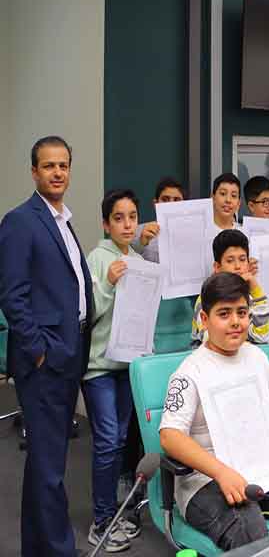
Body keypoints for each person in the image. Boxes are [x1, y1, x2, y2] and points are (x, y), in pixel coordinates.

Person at [159, 273, 269, 552]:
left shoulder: (255, 357)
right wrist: (221, 472)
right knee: (253, 535)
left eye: (241, 312)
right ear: (204, 320)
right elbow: (170, 436)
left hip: (265, 470)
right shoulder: (189, 372)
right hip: (207, 481)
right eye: (224, 314)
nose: (235, 322)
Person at [0, 135, 94, 557]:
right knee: (50, 466)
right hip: (45, 360)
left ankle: (37, 549)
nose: (58, 172)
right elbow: (12, 294)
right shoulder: (21, 221)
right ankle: (59, 550)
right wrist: (39, 349)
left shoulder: (62, 220)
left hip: (68, 352)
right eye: (49, 165)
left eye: (63, 165)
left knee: (44, 461)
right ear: (34, 171)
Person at [83, 189, 144, 551]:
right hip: (99, 368)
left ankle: (114, 513)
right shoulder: (97, 258)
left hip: (127, 366)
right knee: (107, 442)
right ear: (106, 224)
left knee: (120, 442)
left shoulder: (138, 260)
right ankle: (101, 521)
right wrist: (107, 282)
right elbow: (86, 314)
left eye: (132, 217)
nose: (127, 224)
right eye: (118, 218)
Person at [192, 230, 269, 345]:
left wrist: (256, 291)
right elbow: (212, 339)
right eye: (230, 261)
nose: (238, 266)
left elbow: (262, 336)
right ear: (217, 267)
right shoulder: (206, 298)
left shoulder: (249, 296)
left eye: (242, 259)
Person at [131, 176, 185, 262]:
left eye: (176, 200)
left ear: (184, 205)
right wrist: (141, 244)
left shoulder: (194, 233)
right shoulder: (137, 232)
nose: (170, 204)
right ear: (155, 203)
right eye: (165, 199)